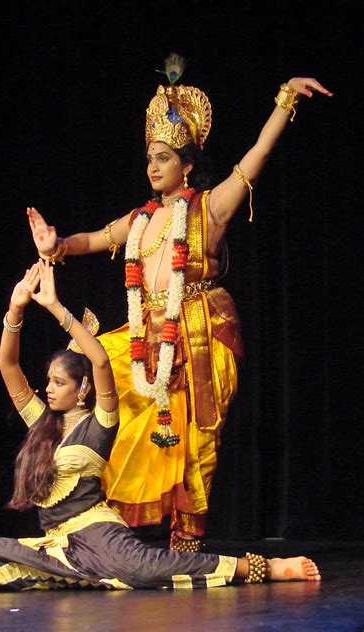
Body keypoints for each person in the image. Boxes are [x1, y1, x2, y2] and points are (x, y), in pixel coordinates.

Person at [26, 56, 333, 551]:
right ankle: (88, 516)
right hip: (148, 331)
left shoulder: (208, 209)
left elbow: (254, 158)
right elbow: (94, 239)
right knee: (103, 391)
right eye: (150, 157)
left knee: (194, 439)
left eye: (165, 157)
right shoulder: (141, 219)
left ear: (187, 164)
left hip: (201, 331)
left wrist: (286, 99)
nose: (153, 166)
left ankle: (186, 542)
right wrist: (55, 245)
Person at [0, 258, 321, 590]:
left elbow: (99, 361)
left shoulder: (100, 422)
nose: (48, 389)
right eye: (48, 381)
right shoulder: (41, 423)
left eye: (59, 383)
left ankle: (260, 567)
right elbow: (8, 366)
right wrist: (15, 308)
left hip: (98, 534)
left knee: (146, 569)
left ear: (82, 389)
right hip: (55, 543)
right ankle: (84, 575)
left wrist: (54, 307)